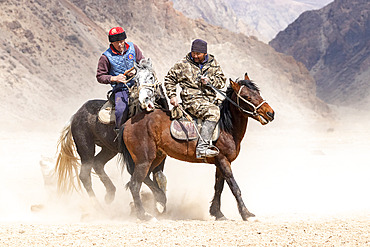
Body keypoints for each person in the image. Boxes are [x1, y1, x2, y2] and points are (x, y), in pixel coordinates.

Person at [164, 39, 226, 159]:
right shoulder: (182, 64)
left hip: (210, 99)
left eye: (198, 54)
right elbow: (169, 79)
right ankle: (202, 148)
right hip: (191, 100)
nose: (195, 56)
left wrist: (210, 81)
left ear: (205, 53)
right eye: (193, 53)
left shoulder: (213, 63)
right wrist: (172, 95)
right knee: (213, 112)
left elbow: (222, 81)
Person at [96, 26, 145, 132]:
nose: (119, 45)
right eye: (116, 42)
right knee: (121, 110)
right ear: (111, 43)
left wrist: (136, 70)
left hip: (138, 85)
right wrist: (114, 78)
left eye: (121, 41)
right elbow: (100, 76)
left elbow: (143, 63)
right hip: (121, 89)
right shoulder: (106, 57)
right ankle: (120, 134)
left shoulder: (133, 48)